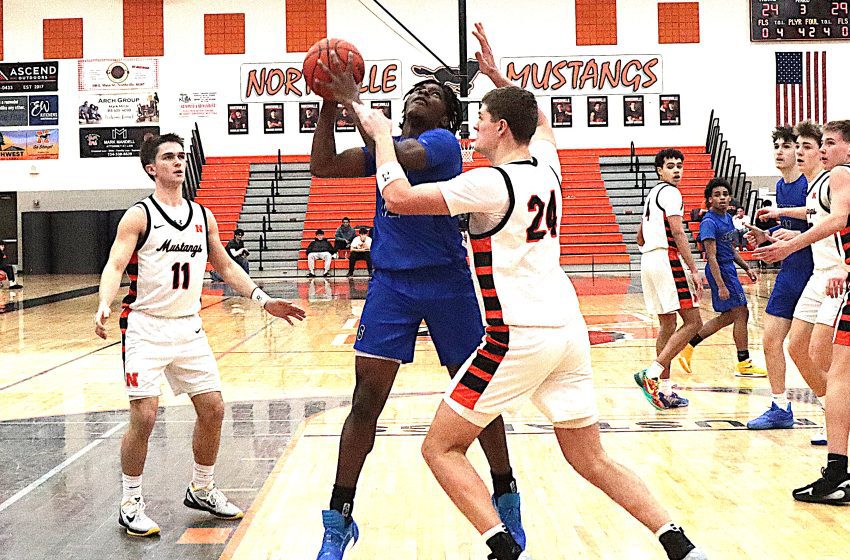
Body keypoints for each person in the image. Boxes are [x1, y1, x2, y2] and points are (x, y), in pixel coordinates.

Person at [351, 22, 708, 560]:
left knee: (440, 447)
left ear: (498, 128)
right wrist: (497, 74)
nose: (472, 129)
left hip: (515, 336)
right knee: (592, 459)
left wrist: (382, 138)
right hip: (568, 332)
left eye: (480, 121)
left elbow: (398, 198)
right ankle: (681, 545)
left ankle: (501, 549)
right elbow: (536, 117)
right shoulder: (549, 166)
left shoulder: (490, 182)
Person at [308, 46, 523, 559]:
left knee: (476, 397)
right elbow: (322, 166)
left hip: (449, 281)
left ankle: (506, 496)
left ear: (449, 116)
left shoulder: (443, 145)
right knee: (365, 400)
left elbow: (396, 155)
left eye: (434, 94)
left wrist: (353, 98)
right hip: (391, 284)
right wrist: (328, 103)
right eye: (417, 92)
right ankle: (338, 517)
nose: (424, 95)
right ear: (402, 112)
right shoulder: (388, 142)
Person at [93, 133, 305, 537]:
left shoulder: (202, 215)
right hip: (145, 326)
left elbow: (225, 266)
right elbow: (115, 265)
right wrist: (104, 302)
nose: (178, 161)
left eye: (181, 156)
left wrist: (263, 299)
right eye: (168, 157)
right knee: (145, 414)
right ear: (151, 168)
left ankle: (202, 488)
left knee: (214, 409)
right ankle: (131, 500)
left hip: (188, 327)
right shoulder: (139, 216)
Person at [754, 120, 850, 503]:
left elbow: (839, 219)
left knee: (835, 369)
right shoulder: (823, 183)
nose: (821, 150)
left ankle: (838, 462)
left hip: (834, 276)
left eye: (827, 143)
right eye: (817, 144)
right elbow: (822, 219)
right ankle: (837, 437)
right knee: (807, 352)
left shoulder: (840, 174)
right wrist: (785, 227)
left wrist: (792, 248)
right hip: (828, 274)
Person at [746, 126, 820, 431]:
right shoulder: (780, 186)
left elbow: (822, 227)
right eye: (778, 146)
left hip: (815, 272)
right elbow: (788, 232)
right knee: (770, 340)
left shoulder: (811, 184)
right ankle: (779, 406)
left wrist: (794, 233)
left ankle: (834, 407)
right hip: (790, 271)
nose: (782, 151)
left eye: (787, 146)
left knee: (813, 350)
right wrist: (764, 238)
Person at [635, 148, 703, 409]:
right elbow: (677, 230)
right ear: (659, 170)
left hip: (648, 260)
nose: (676, 170)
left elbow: (639, 235)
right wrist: (693, 268)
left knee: (667, 325)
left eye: (679, 166)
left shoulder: (651, 194)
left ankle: (662, 390)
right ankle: (651, 374)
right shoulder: (672, 193)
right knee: (694, 321)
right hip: (666, 258)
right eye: (670, 166)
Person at [677, 179, 766, 377]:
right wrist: (721, 285)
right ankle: (744, 362)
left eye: (725, 194)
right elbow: (711, 256)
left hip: (729, 269)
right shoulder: (709, 222)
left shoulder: (727, 218)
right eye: (717, 195)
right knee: (742, 312)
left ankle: (689, 346)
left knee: (729, 316)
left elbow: (730, 249)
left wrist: (746, 268)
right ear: (709, 199)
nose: (722, 198)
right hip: (720, 271)